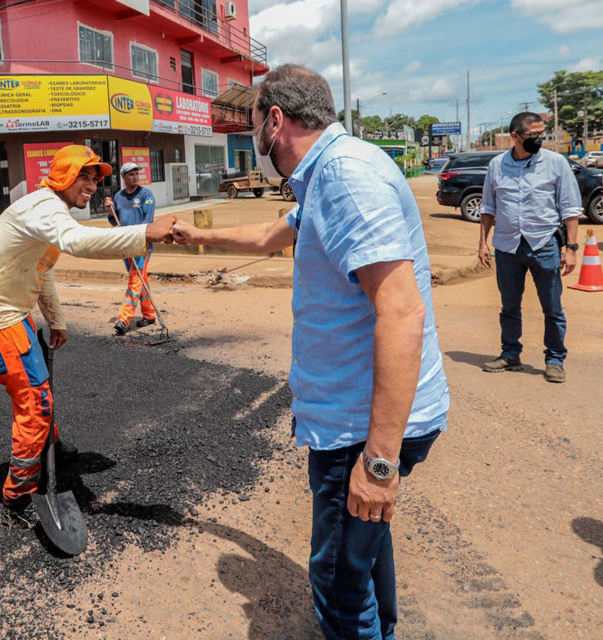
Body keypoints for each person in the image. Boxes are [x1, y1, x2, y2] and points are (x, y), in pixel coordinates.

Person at [170, 64, 449, 639]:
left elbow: (401, 313)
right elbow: (271, 236)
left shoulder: (345, 176)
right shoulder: (325, 177)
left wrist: (377, 464)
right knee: (364, 550)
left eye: (252, 127)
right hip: (353, 415)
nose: (254, 143)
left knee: (339, 583)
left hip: (359, 428)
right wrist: (193, 234)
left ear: (275, 121)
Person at [0, 145, 177, 529]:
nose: (93, 185)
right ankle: (17, 497)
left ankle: (49, 447)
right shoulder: (45, 209)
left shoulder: (49, 211)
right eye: (85, 176)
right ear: (63, 175)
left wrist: (56, 320)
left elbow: (41, 270)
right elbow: (78, 242)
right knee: (35, 400)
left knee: (39, 389)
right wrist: (145, 232)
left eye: (96, 179)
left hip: (13, 315)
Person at [478, 111, 581, 383]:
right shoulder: (496, 165)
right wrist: (482, 243)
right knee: (509, 306)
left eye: (541, 134)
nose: (539, 139)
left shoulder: (556, 164)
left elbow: (570, 209)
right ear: (515, 136)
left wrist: (570, 248)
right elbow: (488, 207)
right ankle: (510, 354)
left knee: (552, 308)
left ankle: (555, 359)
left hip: (544, 244)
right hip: (507, 247)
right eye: (533, 135)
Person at [104, 162, 157, 335]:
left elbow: (147, 221)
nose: (135, 177)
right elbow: (114, 222)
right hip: (124, 245)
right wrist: (111, 212)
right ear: (124, 177)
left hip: (141, 245)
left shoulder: (146, 195)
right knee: (141, 280)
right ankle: (149, 314)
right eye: (131, 174)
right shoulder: (118, 197)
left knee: (134, 280)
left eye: (136, 173)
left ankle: (123, 319)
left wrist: (135, 240)